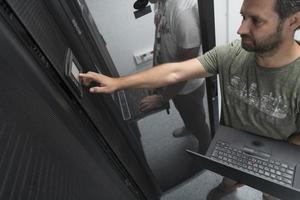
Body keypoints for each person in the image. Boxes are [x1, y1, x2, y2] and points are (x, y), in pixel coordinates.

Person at [80, 0, 300, 199]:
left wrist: (265, 163)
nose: (241, 29)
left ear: (293, 21)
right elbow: (175, 72)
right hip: (231, 148)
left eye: (256, 21)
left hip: (274, 160)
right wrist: (118, 83)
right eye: (243, 16)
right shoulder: (232, 54)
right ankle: (226, 188)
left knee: (272, 196)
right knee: (228, 178)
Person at [138, 0, 210, 154]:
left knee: (197, 120)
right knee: (183, 110)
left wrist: (162, 98)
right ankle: (189, 127)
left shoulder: (183, 15)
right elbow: (158, 37)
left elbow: (187, 68)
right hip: (171, 78)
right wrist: (155, 74)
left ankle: (206, 148)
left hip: (188, 85)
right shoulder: (160, 2)